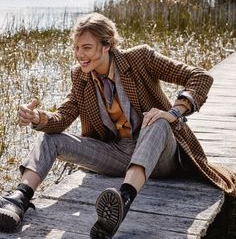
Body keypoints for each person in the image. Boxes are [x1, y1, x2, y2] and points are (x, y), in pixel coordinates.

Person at [0, 12, 235, 238]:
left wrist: (174, 112)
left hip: (161, 156)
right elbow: (63, 117)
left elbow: (200, 76)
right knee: (49, 138)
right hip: (117, 154)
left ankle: (122, 199)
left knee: (157, 122)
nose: (79, 55)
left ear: (107, 44)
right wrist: (39, 118)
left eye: (87, 47)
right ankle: (19, 198)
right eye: (76, 48)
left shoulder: (140, 58)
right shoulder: (80, 76)